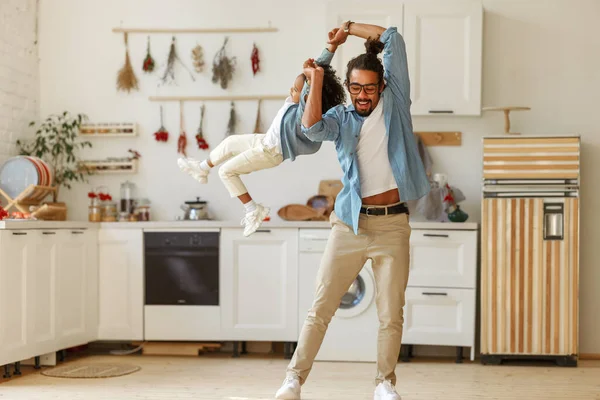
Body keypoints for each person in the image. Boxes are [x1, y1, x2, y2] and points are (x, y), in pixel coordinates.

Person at [274, 21, 430, 400]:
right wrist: (319, 65)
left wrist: (348, 29)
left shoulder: (396, 102)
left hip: (393, 225)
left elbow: (392, 37)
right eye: (356, 88)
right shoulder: (341, 118)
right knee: (321, 307)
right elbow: (309, 127)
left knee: (391, 314)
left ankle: (384, 384)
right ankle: (293, 380)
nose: (363, 95)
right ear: (349, 87)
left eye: (369, 88)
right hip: (348, 225)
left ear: (382, 86)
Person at [177, 43, 346, 237]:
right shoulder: (293, 102)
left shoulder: (303, 114)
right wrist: (331, 47)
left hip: (271, 151)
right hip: (264, 141)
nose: (291, 90)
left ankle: (252, 209)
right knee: (230, 142)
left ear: (307, 97)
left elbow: (314, 88)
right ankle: (203, 168)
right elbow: (318, 70)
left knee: (226, 172)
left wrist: (313, 81)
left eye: (297, 89)